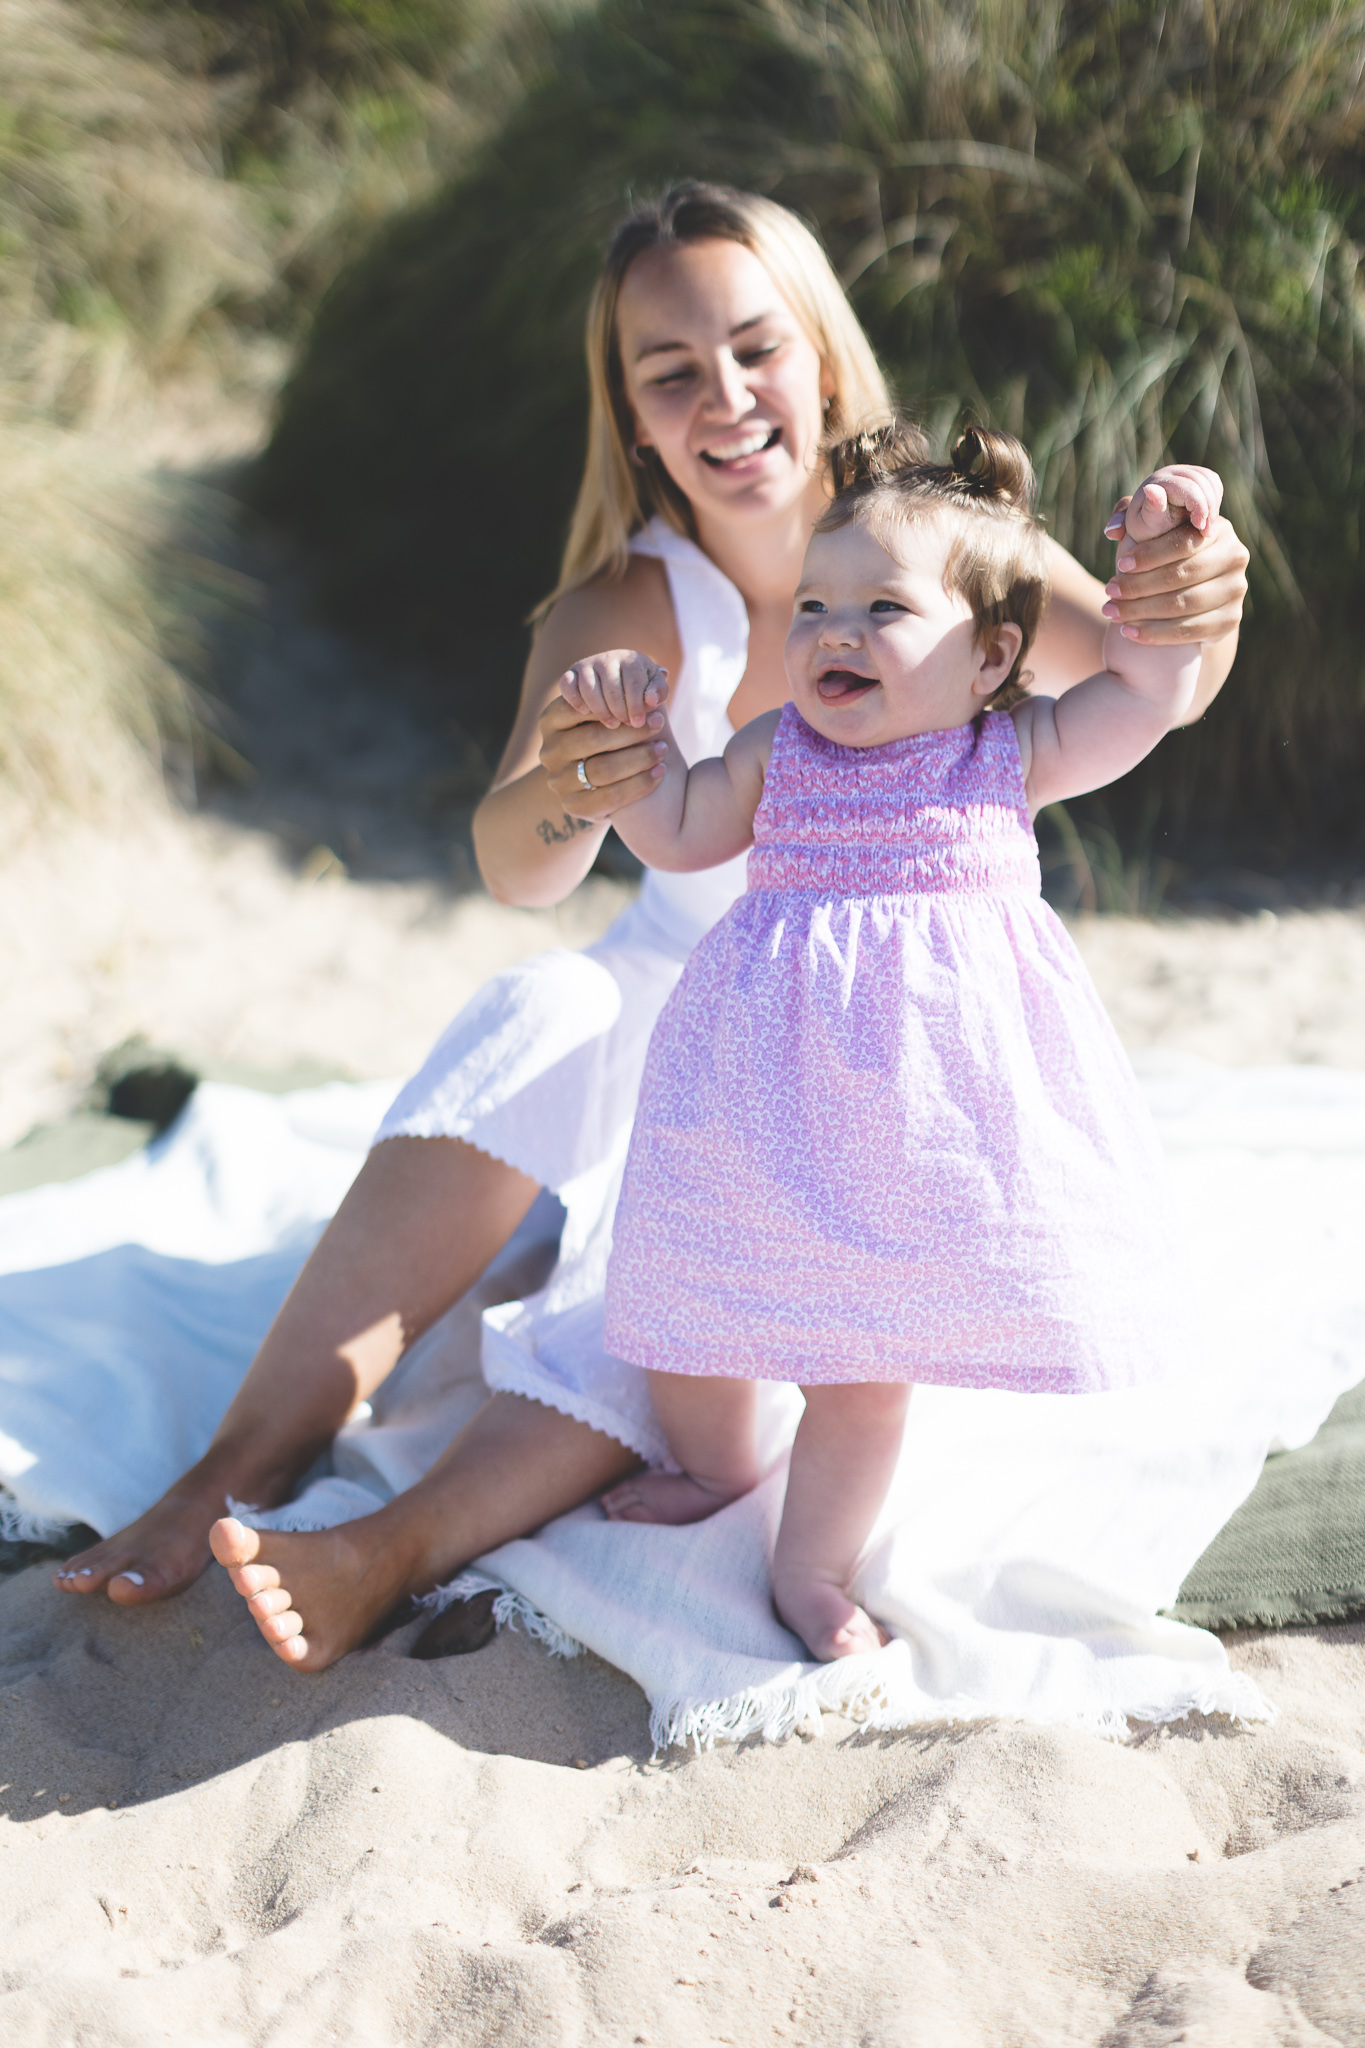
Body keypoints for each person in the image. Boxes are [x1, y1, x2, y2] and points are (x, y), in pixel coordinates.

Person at [52, 182, 1250, 1671]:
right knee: (539, 1011)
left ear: (821, 356)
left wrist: (1194, 584)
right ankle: (234, 1464)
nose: (725, 397)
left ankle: (385, 1546)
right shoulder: (627, 601)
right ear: (629, 419)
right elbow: (519, 866)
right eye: (669, 372)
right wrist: (574, 783)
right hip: (681, 1008)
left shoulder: (941, 561)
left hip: (861, 1066)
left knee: (673, 1259)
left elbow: (1147, 677)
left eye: (755, 348)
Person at [582, 423, 1212, 1661]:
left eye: (883, 607)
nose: (833, 631)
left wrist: (1166, 544)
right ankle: (717, 1464)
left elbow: (1149, 688)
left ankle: (811, 1566)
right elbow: (680, 824)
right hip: (756, 1097)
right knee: (692, 1291)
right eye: (813, 604)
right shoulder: (779, 749)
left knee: (864, 1368)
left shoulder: (1007, 753)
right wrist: (631, 756)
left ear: (991, 656)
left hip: (918, 1126)